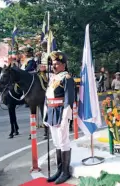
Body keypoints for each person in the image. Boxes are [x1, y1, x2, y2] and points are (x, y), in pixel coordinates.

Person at [44, 51, 75, 184]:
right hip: (51, 112)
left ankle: (65, 172)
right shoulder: (53, 78)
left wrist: (65, 118)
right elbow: (48, 97)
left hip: (61, 112)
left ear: (63, 65)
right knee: (56, 142)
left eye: (57, 64)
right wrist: (46, 113)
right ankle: (59, 170)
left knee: (63, 142)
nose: (54, 66)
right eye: (53, 64)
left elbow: (69, 99)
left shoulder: (66, 78)